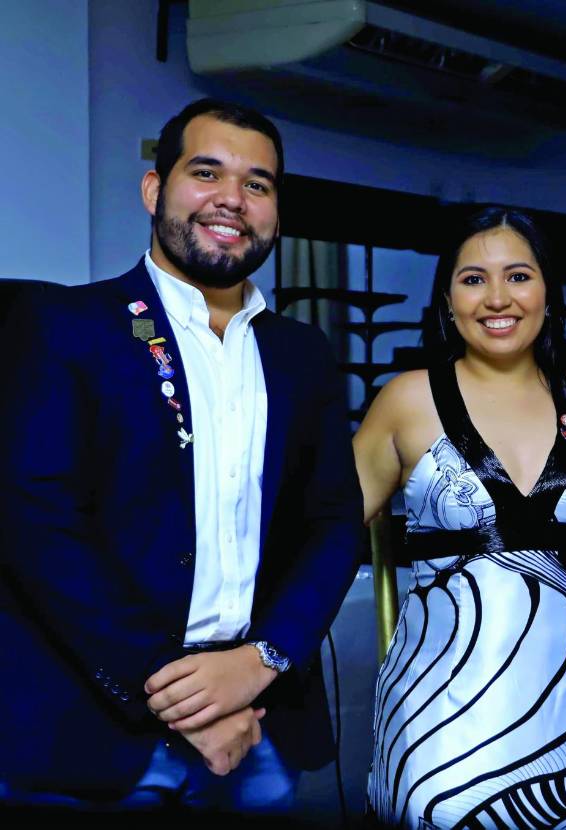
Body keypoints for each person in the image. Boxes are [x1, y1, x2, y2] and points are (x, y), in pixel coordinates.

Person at [0, 98, 364, 816]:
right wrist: (178, 688)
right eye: (206, 172)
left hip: (261, 726)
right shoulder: (65, 327)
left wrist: (262, 661)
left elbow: (334, 523)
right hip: (97, 732)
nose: (232, 198)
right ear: (153, 189)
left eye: (258, 184)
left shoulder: (301, 355)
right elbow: (35, 524)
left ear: (276, 212)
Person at [354, 207, 566, 828]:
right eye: (473, 279)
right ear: (447, 299)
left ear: (548, 293)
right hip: (441, 714)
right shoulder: (407, 398)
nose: (497, 298)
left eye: (518, 276)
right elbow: (319, 534)